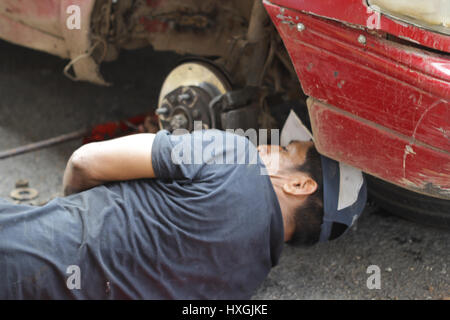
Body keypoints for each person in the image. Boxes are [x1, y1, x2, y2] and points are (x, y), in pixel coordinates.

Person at [0, 113, 366, 299]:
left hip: (22, 252)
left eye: (286, 151)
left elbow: (86, 161)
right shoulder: (243, 287)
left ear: (300, 184)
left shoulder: (235, 157)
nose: (269, 146)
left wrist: (67, 212)